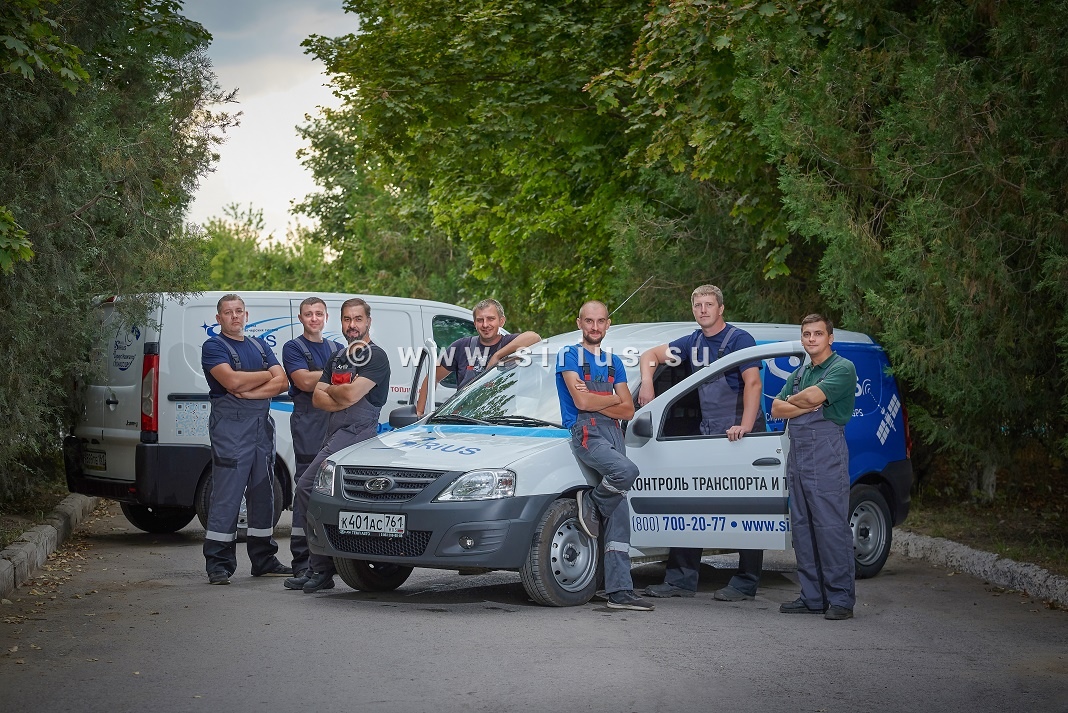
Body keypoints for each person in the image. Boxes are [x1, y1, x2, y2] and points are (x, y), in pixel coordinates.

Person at [637, 284, 767, 602]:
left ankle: (746, 582)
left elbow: (753, 383)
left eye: (709, 304)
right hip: (709, 435)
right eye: (698, 305)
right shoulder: (692, 342)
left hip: (741, 435)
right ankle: (681, 580)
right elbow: (650, 356)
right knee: (690, 503)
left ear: (721, 308)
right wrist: (647, 383)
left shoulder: (739, 340)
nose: (703, 310)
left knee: (747, 510)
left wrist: (745, 426)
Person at [284, 298, 391, 593]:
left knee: (307, 488)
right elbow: (318, 400)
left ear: (368, 322)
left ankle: (321, 568)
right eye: (347, 319)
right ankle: (320, 567)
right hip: (334, 433)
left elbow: (350, 396)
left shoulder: (376, 356)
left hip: (358, 434)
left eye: (358, 319)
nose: (352, 325)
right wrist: (338, 392)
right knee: (322, 495)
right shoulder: (337, 357)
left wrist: (333, 390)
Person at [556, 300, 653, 611]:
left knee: (620, 517)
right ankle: (595, 503)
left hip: (614, 433)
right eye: (589, 321)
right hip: (587, 432)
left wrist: (597, 397)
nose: (595, 327)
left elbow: (628, 410)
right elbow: (581, 404)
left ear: (608, 324)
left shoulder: (615, 362)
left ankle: (619, 590)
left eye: (600, 321)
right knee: (626, 472)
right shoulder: (569, 355)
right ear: (579, 323)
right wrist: (612, 397)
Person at [200, 294, 292, 585]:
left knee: (264, 493)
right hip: (231, 429)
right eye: (228, 312)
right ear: (219, 318)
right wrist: (264, 377)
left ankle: (264, 559)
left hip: (261, 427)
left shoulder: (259, 345)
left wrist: (249, 390)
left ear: (246, 315)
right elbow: (231, 382)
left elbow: (283, 381)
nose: (234, 316)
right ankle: (218, 564)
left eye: (239, 311)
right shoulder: (214, 346)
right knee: (227, 495)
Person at [771, 314, 857, 620]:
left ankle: (841, 599)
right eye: (807, 334)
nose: (811, 338)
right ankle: (813, 597)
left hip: (826, 454)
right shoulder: (801, 372)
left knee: (831, 528)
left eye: (818, 333)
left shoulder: (842, 368)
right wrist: (804, 403)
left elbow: (813, 396)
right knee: (803, 528)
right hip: (798, 457)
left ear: (830, 338)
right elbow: (776, 408)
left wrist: (799, 401)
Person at [281, 297, 343, 579]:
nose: (314, 318)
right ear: (301, 318)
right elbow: (304, 382)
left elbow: (351, 379)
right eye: (309, 314)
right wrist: (335, 376)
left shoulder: (337, 348)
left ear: (326, 317)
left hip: (334, 422)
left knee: (332, 488)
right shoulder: (293, 347)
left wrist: (325, 378)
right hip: (308, 423)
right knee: (306, 488)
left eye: (319, 314)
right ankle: (302, 561)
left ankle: (329, 559)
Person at [416, 298, 540, 414]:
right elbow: (432, 378)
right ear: (475, 323)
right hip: (463, 419)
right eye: (480, 320)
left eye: (491, 319)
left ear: (501, 321)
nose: (485, 325)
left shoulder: (509, 343)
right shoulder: (461, 347)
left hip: (502, 420)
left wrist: (497, 356)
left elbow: (534, 337)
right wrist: (419, 413)